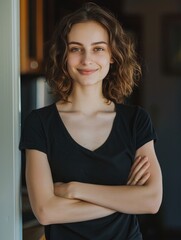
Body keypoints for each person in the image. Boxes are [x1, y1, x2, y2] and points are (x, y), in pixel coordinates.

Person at [19, 2, 162, 239]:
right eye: (76, 49)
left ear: (113, 55)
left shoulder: (135, 121)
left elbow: (151, 201)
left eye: (98, 49)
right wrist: (125, 197)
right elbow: (45, 211)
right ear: (63, 56)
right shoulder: (40, 123)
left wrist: (73, 189)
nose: (87, 59)